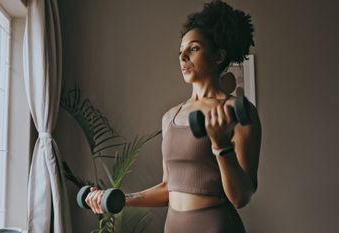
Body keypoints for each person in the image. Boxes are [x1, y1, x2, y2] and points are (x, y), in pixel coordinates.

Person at [85, 1, 261, 232]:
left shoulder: (238, 112)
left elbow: (241, 197)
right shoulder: (170, 117)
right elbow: (168, 187)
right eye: (180, 52)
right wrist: (116, 200)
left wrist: (221, 147)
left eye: (194, 49)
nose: (183, 57)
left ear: (219, 56)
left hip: (216, 226)